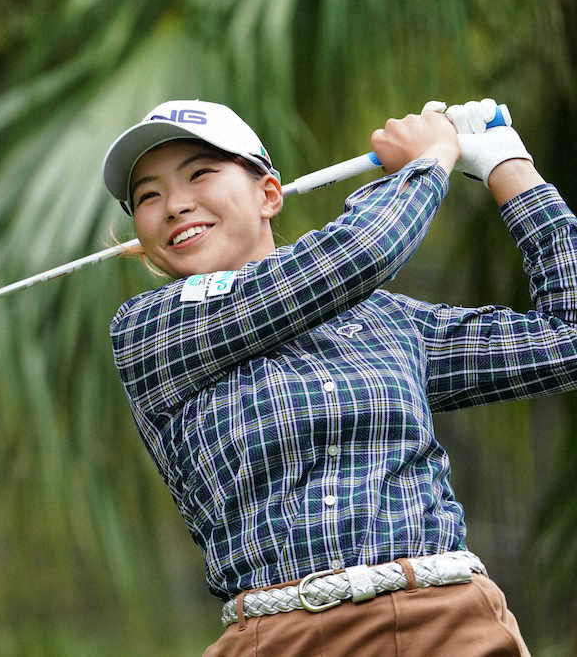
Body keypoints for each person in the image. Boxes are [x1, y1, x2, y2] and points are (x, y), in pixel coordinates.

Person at [101, 98, 571, 656]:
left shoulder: (386, 320)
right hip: (281, 638)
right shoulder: (151, 330)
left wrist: (506, 164)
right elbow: (354, 256)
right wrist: (429, 161)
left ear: (269, 193)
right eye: (147, 197)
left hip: (447, 621)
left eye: (200, 173)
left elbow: (567, 342)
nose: (175, 204)